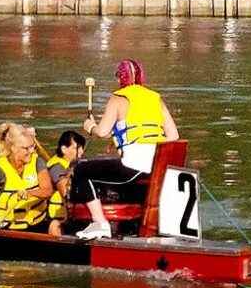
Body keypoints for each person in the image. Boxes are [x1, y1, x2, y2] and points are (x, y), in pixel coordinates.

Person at [74, 59, 180, 239]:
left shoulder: (119, 97)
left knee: (82, 170)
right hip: (157, 168)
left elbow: (102, 131)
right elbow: (174, 136)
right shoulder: (155, 97)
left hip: (133, 167)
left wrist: (90, 126)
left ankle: (100, 223)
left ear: (120, 79)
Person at [0, 123, 54, 240]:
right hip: (9, 227)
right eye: (26, 148)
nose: (31, 151)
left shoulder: (38, 162)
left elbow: (48, 191)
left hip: (38, 223)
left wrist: (29, 193)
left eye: (32, 146)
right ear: (13, 148)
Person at [45, 131, 86, 236]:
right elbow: (65, 192)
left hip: (74, 216)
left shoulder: (74, 165)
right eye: (76, 148)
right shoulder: (56, 167)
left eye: (82, 148)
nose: (81, 152)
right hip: (59, 219)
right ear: (64, 149)